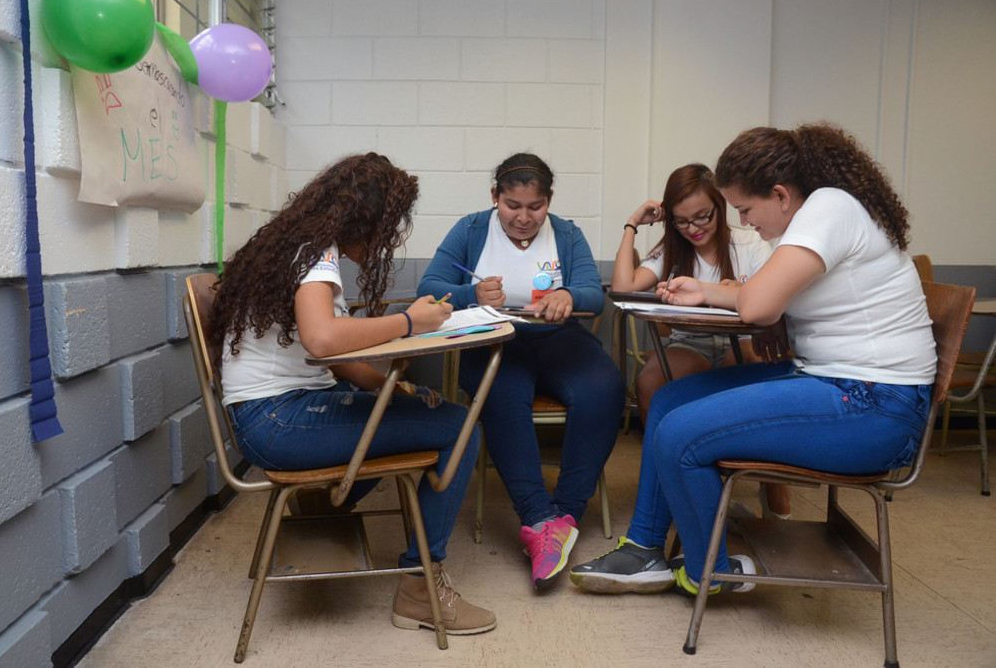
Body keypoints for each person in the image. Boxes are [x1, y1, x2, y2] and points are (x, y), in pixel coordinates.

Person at [570, 123, 936, 598]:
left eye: (745, 209)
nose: (746, 221)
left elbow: (760, 306)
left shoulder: (829, 208)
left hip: (876, 408)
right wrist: (706, 289)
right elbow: (764, 298)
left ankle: (711, 572)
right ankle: (644, 549)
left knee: (682, 433)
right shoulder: (821, 211)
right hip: (841, 384)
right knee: (669, 400)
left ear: (781, 195)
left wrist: (723, 294)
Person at [209, 152, 496, 636]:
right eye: (391, 224)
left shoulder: (298, 246)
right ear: (367, 218)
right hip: (280, 423)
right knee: (460, 428)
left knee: (421, 408)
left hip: (272, 417)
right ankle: (418, 590)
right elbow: (324, 339)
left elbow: (332, 357)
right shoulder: (314, 255)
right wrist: (410, 322)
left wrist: (392, 387)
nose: (392, 236)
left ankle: (322, 506)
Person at [418, 152, 625, 590]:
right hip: (495, 339)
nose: (524, 217)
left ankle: (564, 515)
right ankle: (536, 517)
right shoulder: (472, 228)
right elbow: (429, 287)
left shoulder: (567, 234)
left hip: (557, 338)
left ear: (549, 201)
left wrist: (570, 294)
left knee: (604, 387)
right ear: (495, 197)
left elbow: (594, 294)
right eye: (513, 206)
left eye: (536, 207)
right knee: (502, 392)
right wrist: (470, 292)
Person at [612, 163, 771, 427]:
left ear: (719, 206)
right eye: (682, 221)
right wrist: (633, 224)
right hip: (690, 343)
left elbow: (771, 296)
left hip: (743, 338)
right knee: (650, 380)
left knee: (740, 370)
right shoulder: (671, 250)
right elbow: (622, 288)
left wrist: (735, 291)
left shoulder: (750, 243)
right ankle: (661, 459)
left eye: (702, 216)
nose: (693, 228)